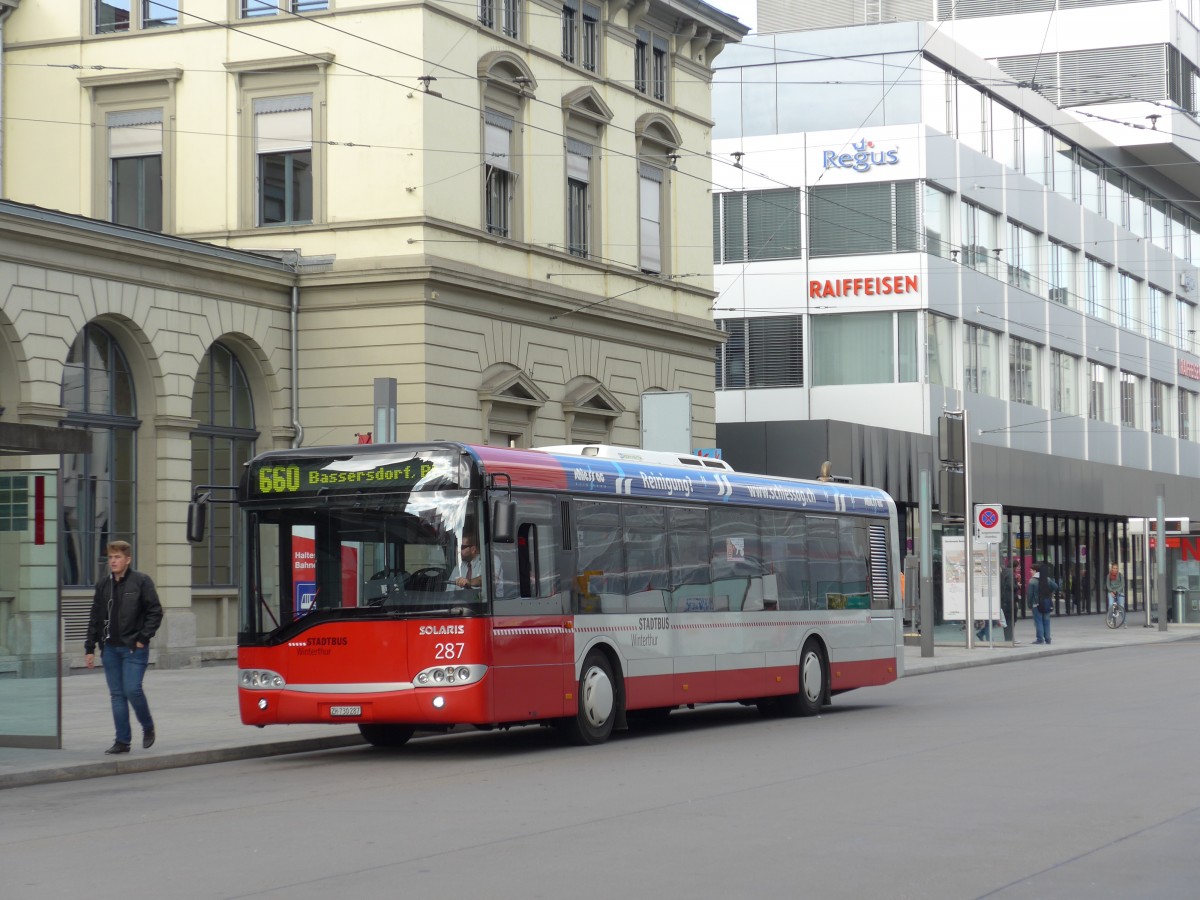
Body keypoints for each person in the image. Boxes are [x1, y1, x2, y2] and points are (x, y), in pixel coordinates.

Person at [84, 541, 163, 754]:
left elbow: (155, 612)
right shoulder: (103, 585)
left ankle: (147, 726)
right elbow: (95, 617)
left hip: (133, 648)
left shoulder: (141, 581)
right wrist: (90, 648)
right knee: (117, 695)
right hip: (110, 648)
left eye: (117, 557)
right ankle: (122, 741)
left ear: (127, 559)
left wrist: (142, 639)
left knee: (132, 689)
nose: (113, 561)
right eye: (110, 557)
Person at [1031, 562, 1059, 645]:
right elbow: (1056, 586)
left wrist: (1029, 604)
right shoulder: (1047, 579)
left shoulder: (1032, 581)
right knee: (1046, 621)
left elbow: (1030, 594)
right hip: (1046, 602)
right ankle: (1048, 639)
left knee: (1038, 621)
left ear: (1035, 571)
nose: (1030, 571)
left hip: (1036, 604)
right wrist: (1049, 591)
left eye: (1031, 570)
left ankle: (1040, 639)